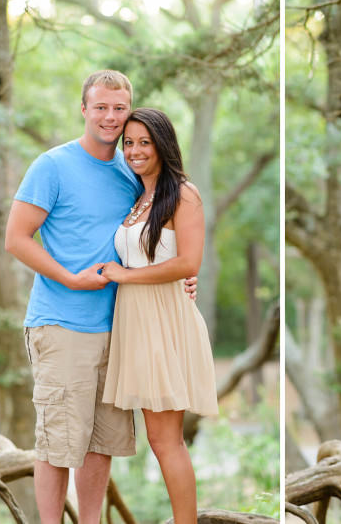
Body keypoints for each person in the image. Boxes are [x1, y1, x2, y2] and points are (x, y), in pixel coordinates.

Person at [5, 70, 196, 524]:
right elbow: (16, 239)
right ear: (85, 110)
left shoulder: (131, 170)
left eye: (119, 109)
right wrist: (70, 278)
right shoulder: (53, 165)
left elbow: (160, 240)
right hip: (63, 323)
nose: (111, 118)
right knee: (57, 444)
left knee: (101, 443)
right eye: (101, 107)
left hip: (122, 328)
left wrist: (183, 277)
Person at [97, 107, 218, 524]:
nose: (134, 150)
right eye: (128, 143)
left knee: (167, 440)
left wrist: (126, 275)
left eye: (144, 142)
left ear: (163, 145)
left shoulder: (183, 193)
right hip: (137, 321)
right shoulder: (139, 195)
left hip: (165, 323)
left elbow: (189, 262)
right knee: (158, 438)